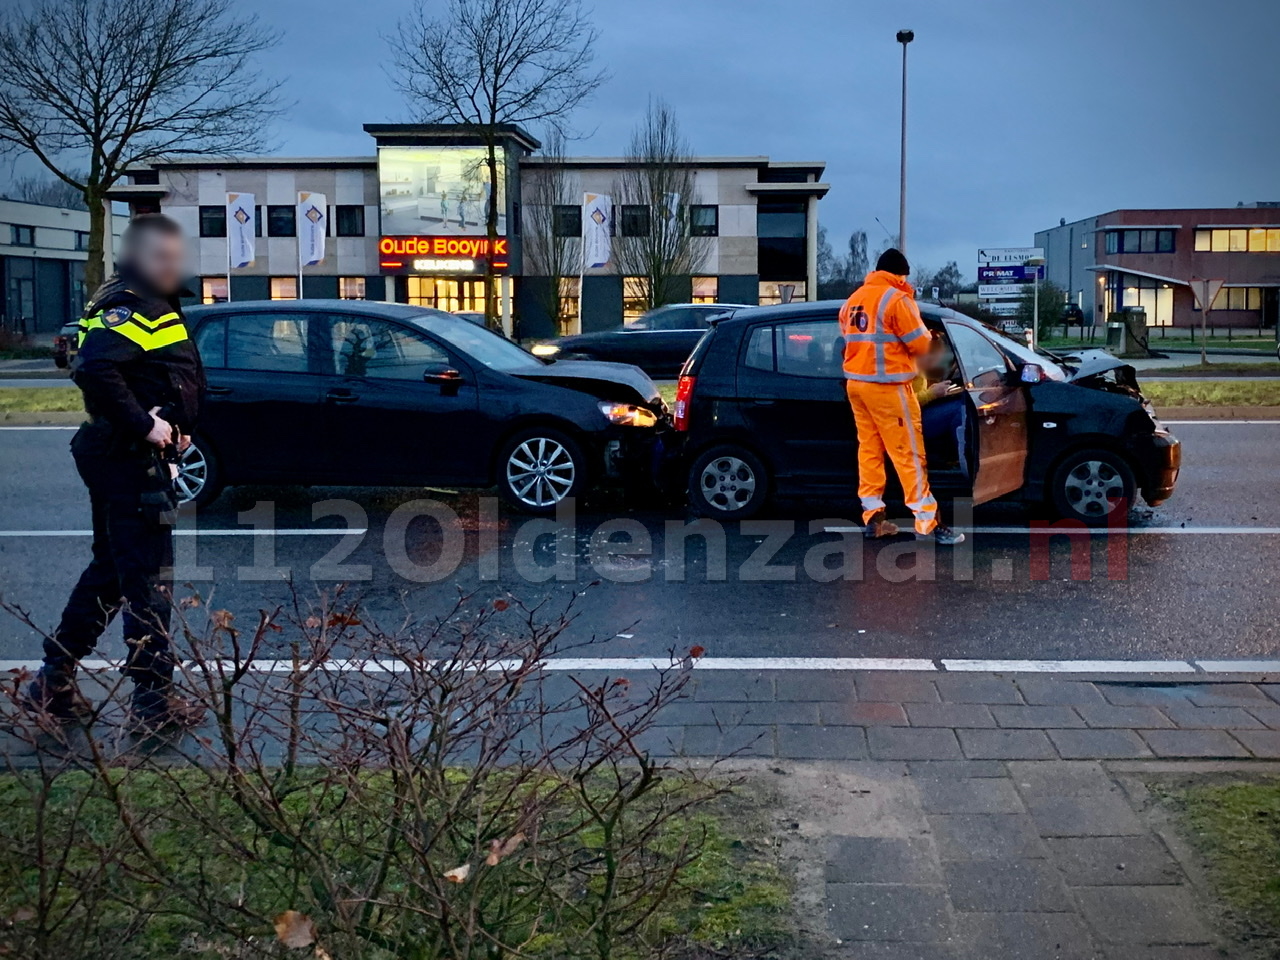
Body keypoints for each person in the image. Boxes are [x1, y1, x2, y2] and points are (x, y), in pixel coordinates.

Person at [25, 214, 206, 729]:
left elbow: (154, 372)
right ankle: (152, 701)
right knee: (148, 577)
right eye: (166, 256)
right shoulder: (130, 302)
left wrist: (176, 422)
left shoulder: (146, 300)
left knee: (112, 572)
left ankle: (52, 682)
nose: (176, 264)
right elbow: (95, 367)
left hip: (125, 452)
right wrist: (144, 426)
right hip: (128, 457)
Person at [839, 248, 965, 545]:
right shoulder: (896, 299)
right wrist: (932, 339)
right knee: (909, 455)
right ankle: (929, 523)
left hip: (857, 385)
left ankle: (874, 520)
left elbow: (853, 340)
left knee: (869, 452)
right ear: (900, 275)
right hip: (888, 387)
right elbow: (920, 345)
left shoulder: (853, 300)